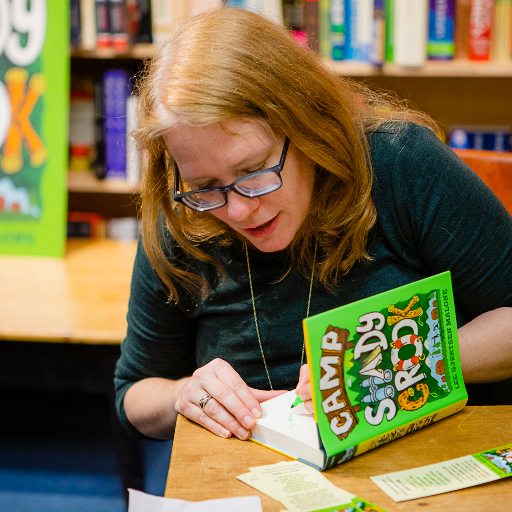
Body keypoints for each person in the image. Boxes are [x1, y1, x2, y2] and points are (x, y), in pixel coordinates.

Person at [114, 8, 512, 442]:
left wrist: (407, 362)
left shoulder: (399, 164)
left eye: (254, 170)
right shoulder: (185, 215)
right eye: (206, 185)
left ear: (306, 126)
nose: (239, 210)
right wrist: (182, 395)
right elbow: (134, 392)